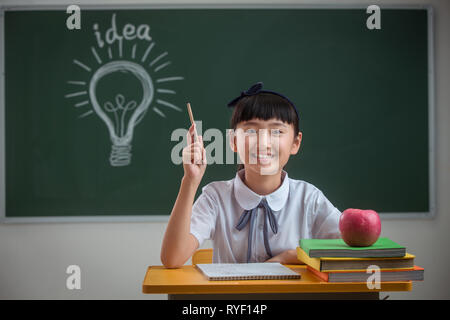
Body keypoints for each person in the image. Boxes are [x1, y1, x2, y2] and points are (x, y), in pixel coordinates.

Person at [161, 82, 341, 268]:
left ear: (295, 143)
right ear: (233, 141)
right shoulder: (216, 197)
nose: (263, 143)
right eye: (251, 131)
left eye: (277, 131)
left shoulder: (308, 198)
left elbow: (354, 248)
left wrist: (293, 255)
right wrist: (190, 181)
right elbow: (172, 259)